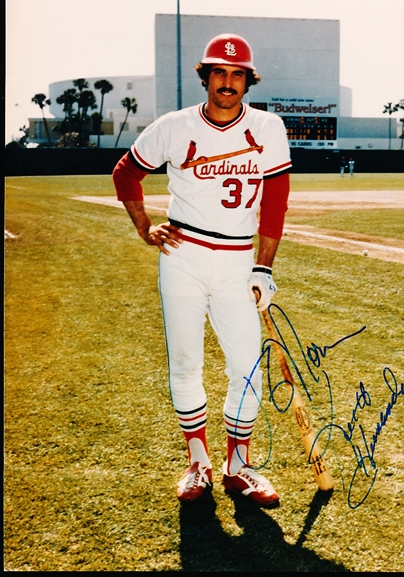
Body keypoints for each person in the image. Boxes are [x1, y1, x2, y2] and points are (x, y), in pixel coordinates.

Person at [112, 34, 291, 508]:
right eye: (219, 73)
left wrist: (263, 267)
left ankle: (239, 466)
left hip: (237, 261)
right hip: (183, 257)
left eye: (237, 75)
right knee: (186, 363)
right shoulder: (174, 126)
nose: (228, 82)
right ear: (206, 77)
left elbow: (275, 201)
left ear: (247, 81)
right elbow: (125, 173)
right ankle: (198, 463)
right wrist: (144, 226)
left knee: (246, 367)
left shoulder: (269, 128)